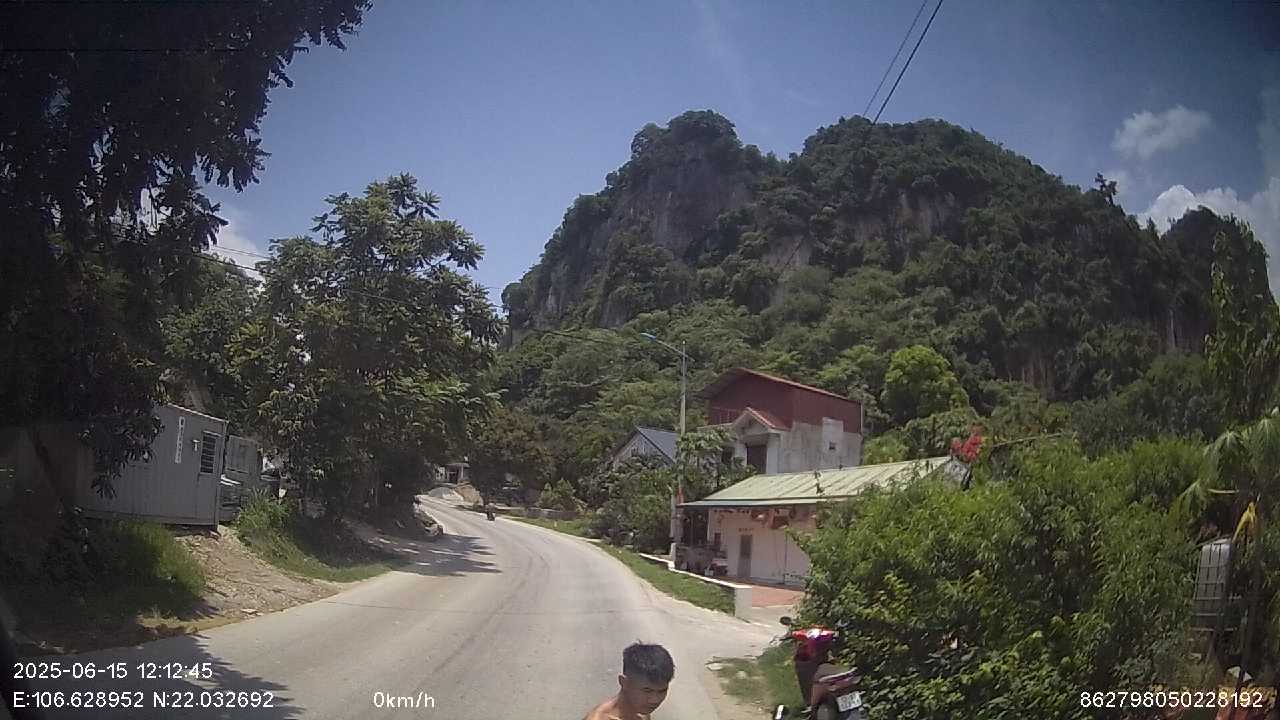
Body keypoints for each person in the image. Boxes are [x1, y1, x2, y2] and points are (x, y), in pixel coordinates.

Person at [583, 642, 675, 720]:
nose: (655, 700)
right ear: (624, 683)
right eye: (647, 691)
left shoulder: (641, 711)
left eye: (662, 691)